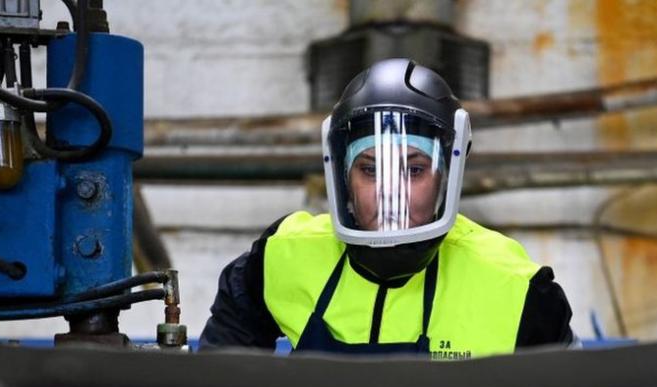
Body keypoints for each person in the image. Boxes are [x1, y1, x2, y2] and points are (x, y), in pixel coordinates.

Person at [199, 58, 573, 357]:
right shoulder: (282, 256)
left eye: (413, 170)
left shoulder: (517, 290)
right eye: (370, 169)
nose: (389, 193)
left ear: (446, 176)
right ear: (344, 177)